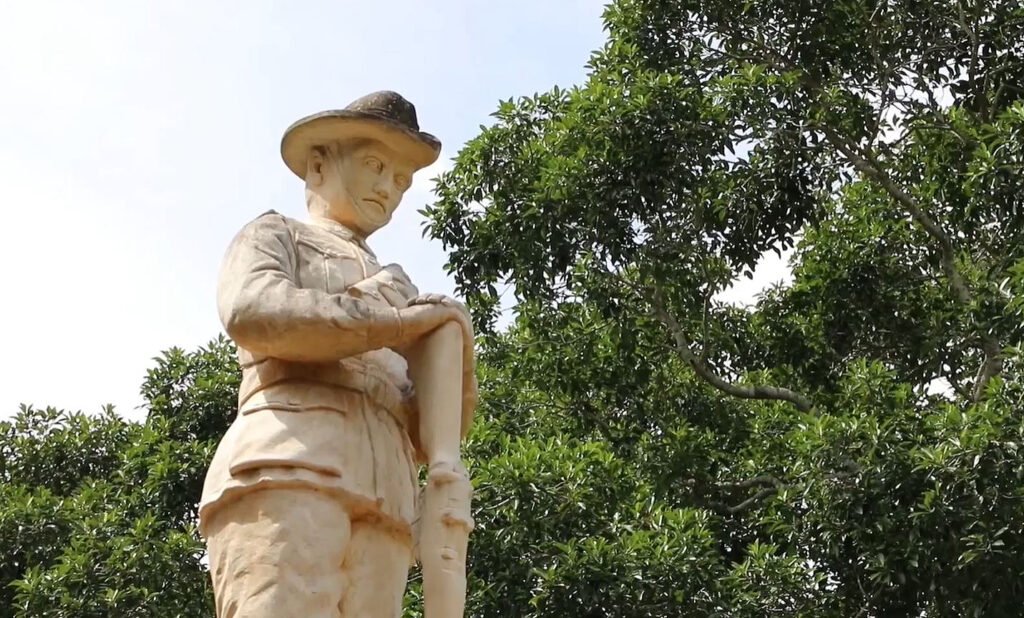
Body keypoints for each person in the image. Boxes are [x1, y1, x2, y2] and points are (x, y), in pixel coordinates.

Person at [199, 91, 476, 618]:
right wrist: (393, 319)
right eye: (375, 166)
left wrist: (453, 350)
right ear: (319, 163)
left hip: (388, 495)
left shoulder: (406, 292)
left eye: (401, 181)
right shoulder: (276, 235)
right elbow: (253, 311)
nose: (388, 189)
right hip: (289, 462)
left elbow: (430, 431)